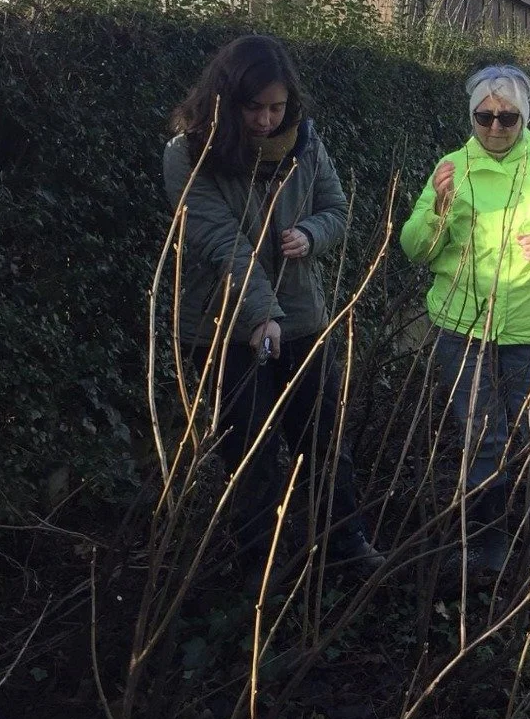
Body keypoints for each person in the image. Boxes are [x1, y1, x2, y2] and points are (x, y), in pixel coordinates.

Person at [163, 34, 380, 579]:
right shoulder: (189, 155)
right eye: (253, 107)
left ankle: (343, 544)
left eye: (276, 107)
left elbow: (336, 208)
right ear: (225, 101)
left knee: (323, 439)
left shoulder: (306, 143)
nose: (265, 120)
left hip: (303, 317)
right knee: (250, 452)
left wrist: (312, 233)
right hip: (224, 324)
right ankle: (257, 568)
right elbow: (222, 243)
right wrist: (261, 313)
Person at [400, 65, 530, 578]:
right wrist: (437, 210)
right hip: (463, 328)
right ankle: (487, 542)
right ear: (471, 116)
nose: (494, 127)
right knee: (482, 437)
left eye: (507, 117)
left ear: (524, 117)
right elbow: (415, 250)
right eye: (484, 116)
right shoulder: (451, 167)